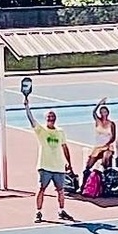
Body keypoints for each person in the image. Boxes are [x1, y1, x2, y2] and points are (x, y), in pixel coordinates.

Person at [25, 93, 76, 224]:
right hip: (44, 166)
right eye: (49, 117)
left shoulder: (60, 132)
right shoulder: (41, 130)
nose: (51, 119)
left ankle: (61, 210)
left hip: (58, 166)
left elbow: (65, 147)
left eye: (52, 117)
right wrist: (27, 106)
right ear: (46, 119)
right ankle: (38, 212)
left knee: (61, 190)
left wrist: (69, 163)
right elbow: (31, 120)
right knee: (41, 188)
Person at [83, 98, 117, 186]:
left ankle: (105, 182)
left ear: (107, 113)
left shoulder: (111, 124)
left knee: (106, 159)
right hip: (98, 147)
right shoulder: (98, 121)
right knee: (88, 165)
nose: (103, 113)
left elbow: (113, 137)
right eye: (101, 112)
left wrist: (107, 144)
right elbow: (93, 112)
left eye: (105, 112)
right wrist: (99, 104)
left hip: (107, 146)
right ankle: (84, 185)